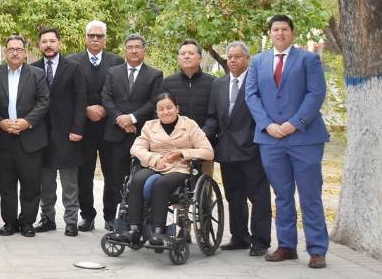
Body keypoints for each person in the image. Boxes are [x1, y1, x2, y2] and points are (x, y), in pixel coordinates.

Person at [245, 15, 329, 269]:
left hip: (304, 138)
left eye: (284, 29)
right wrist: (268, 125)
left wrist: (295, 123)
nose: (279, 33)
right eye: (275, 29)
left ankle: (316, 250)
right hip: (270, 139)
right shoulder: (258, 62)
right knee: (282, 195)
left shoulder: (309, 59)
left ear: (292, 32)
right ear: (269, 33)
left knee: (309, 195)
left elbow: (316, 93)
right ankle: (286, 246)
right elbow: (251, 95)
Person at [0, 34, 49, 238]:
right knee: (6, 186)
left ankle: (27, 223)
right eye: (11, 49)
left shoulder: (37, 74)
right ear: (5, 52)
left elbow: (44, 101)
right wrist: (0, 122)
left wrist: (27, 122)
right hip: (3, 139)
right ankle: (9, 222)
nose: (15, 52)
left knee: (31, 185)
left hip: (30, 139)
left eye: (19, 49)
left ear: (25, 52)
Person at [207, 41, 271, 257]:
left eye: (237, 57)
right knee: (234, 195)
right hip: (226, 150)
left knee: (258, 195)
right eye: (230, 57)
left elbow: (263, 114)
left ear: (247, 59)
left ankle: (260, 241)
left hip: (252, 148)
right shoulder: (218, 84)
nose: (232, 60)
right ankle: (239, 237)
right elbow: (213, 117)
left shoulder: (258, 83)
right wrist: (202, 137)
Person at [124, 92, 214, 245]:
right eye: (161, 109)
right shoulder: (149, 126)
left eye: (169, 107)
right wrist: (154, 158)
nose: (166, 112)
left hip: (180, 168)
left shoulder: (189, 125)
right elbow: (136, 148)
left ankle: (157, 231)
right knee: (137, 180)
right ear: (157, 112)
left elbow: (208, 152)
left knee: (161, 185)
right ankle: (133, 229)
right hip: (155, 165)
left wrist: (181, 153)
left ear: (177, 108)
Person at [101, 34, 163, 230]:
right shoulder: (113, 72)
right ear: (125, 50)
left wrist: (133, 118)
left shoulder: (154, 74)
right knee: (113, 178)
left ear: (144, 50)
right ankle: (111, 217)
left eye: (138, 47)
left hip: (142, 135)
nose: (134, 50)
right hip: (116, 134)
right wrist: (121, 119)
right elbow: (107, 98)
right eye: (130, 47)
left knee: (140, 178)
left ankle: (139, 218)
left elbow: (154, 101)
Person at [67, 20, 124, 232]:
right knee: (84, 173)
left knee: (112, 173)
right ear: (85, 37)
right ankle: (87, 216)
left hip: (110, 127)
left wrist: (104, 109)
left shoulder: (117, 62)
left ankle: (111, 215)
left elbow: (121, 94)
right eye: (91, 35)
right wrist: (87, 109)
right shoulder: (72, 62)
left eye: (99, 36)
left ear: (105, 39)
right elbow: (69, 94)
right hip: (83, 127)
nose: (95, 39)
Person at [31, 28, 87, 237]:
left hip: (68, 134)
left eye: (52, 41)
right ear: (39, 45)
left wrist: (78, 129)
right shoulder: (33, 68)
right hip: (41, 135)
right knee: (46, 183)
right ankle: (47, 218)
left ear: (59, 44)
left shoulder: (73, 68)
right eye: (44, 41)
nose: (48, 45)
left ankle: (71, 221)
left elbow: (81, 101)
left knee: (69, 183)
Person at [161, 39, 217, 135]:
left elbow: (215, 115)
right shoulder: (168, 82)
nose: (186, 56)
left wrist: (202, 135)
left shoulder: (214, 82)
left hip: (205, 140)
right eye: (183, 54)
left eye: (191, 53)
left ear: (200, 58)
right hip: (175, 139)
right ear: (178, 58)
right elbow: (162, 112)